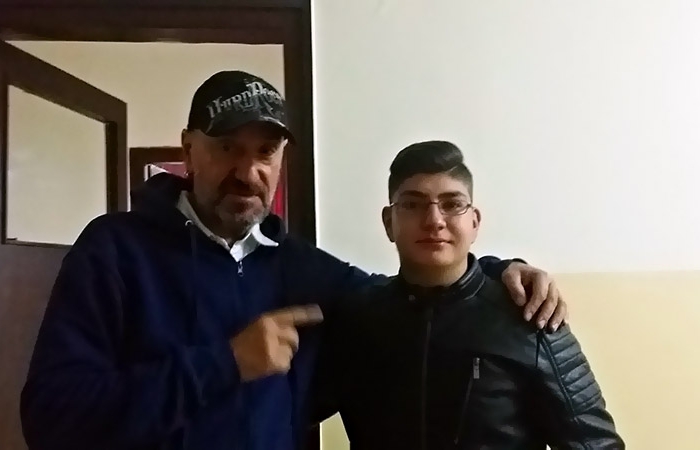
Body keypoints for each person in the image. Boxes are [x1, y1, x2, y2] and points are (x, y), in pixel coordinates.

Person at [20, 72, 567, 450]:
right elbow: (52, 420)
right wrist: (225, 364)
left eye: (264, 152)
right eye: (227, 147)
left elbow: (406, 295)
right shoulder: (114, 252)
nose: (247, 171)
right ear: (188, 150)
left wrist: (496, 271)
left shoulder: (299, 268)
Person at [318, 141, 624, 449]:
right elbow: (300, 410)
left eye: (452, 204)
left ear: (474, 221)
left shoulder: (530, 317)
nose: (434, 220)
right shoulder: (358, 318)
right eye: (412, 204)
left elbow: (596, 445)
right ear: (389, 222)